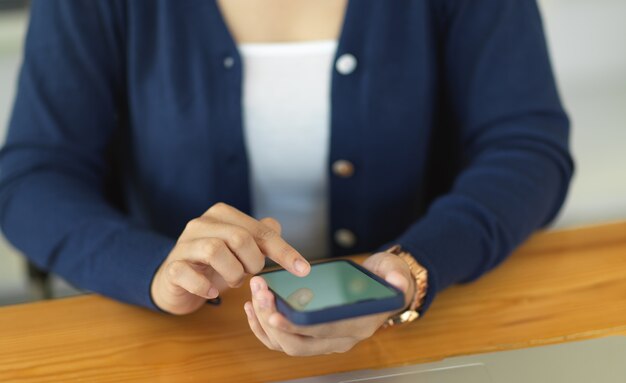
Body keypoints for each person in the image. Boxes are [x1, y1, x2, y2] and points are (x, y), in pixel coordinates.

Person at [0, 0, 573, 356]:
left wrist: (412, 270)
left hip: (412, 341)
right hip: (190, 351)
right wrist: (153, 269)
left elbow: (527, 148)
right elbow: (31, 179)